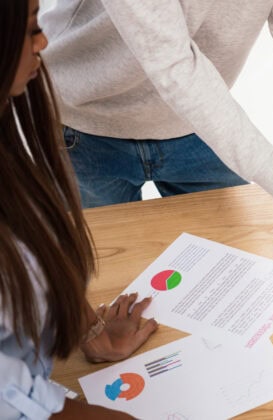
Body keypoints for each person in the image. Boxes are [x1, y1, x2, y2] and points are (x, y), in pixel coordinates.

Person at [40, 0, 273, 272]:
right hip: (85, 126)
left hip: (200, 126)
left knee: (234, 272)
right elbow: (173, 65)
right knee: (103, 274)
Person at [1, 0, 159, 417]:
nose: (44, 42)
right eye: (31, 28)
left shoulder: (13, 145)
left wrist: (92, 331)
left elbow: (35, 253)